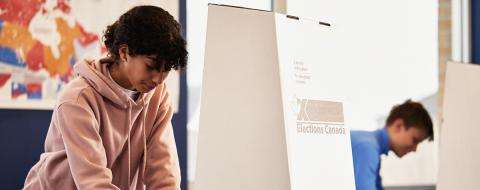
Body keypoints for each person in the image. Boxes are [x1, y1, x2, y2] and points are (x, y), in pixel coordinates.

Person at [24, 5, 187, 189]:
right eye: (151, 67)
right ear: (124, 52)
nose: (158, 79)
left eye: (165, 70)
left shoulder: (158, 97)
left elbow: (163, 171)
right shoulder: (78, 99)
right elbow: (94, 182)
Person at [350, 99, 434, 190]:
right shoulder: (367, 149)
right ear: (398, 126)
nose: (415, 149)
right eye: (415, 140)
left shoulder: (372, 146)